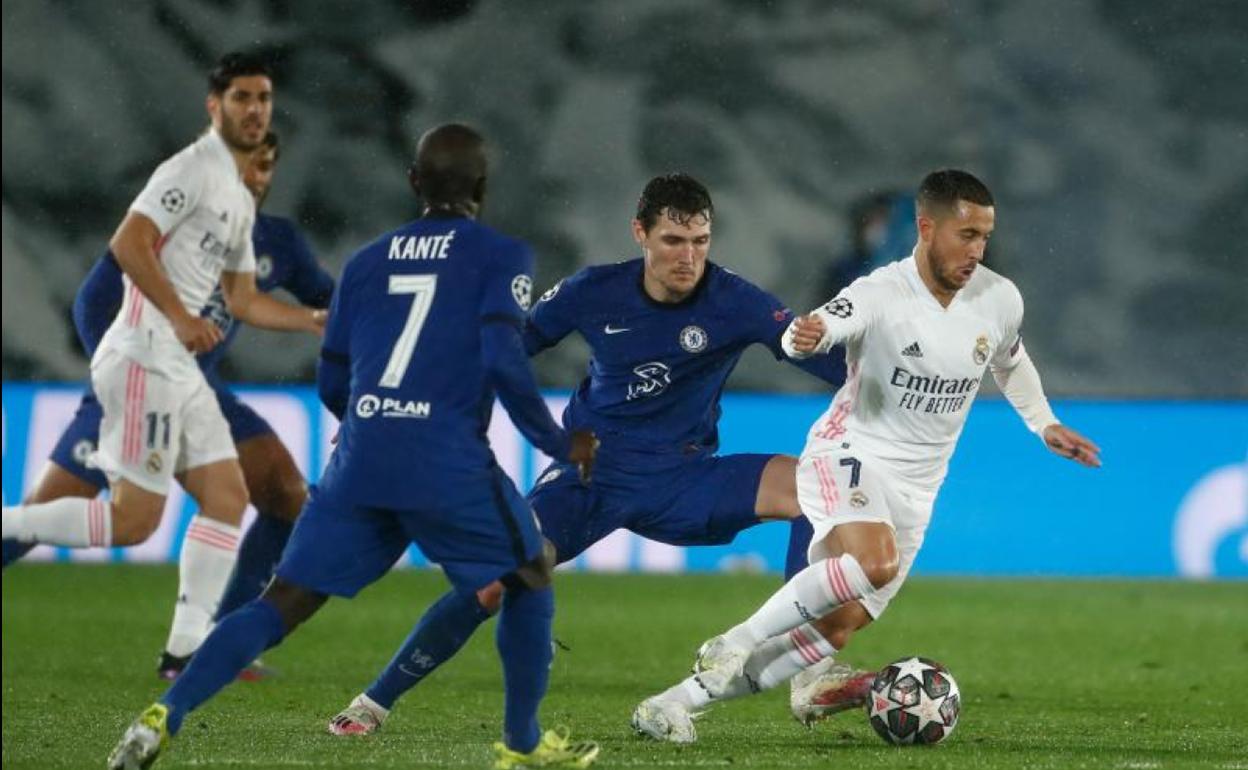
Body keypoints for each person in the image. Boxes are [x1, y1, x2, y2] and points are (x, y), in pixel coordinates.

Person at [107, 123, 601, 770]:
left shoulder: (366, 263)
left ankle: (164, 714)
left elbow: (332, 381)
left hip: (363, 455)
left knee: (282, 602)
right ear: (482, 187)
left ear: (413, 183)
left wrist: (373, 425)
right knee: (529, 573)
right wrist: (559, 441)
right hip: (444, 458)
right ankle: (523, 745)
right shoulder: (501, 254)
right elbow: (505, 361)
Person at [326, 173, 867, 742]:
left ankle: (809, 677)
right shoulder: (592, 291)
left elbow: (822, 360)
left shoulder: (736, 300)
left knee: (811, 486)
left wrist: (904, 391)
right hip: (590, 476)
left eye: (700, 241)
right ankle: (373, 702)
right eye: (673, 241)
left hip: (683, 478)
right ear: (640, 233)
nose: (688, 257)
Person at [631, 169, 1102, 742]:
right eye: (965, 235)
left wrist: (1044, 422)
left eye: (984, 236)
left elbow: (1009, 360)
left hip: (918, 487)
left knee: (836, 628)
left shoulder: (999, 298)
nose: (977, 250)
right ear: (926, 228)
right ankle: (735, 640)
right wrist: (803, 336)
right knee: (873, 562)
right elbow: (820, 326)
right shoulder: (880, 292)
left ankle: (671, 704)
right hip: (848, 454)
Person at [2, 51, 325, 672]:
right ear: (215, 106)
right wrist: (164, 330)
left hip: (189, 378)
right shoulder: (190, 173)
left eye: (263, 100)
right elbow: (119, 257)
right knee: (119, 522)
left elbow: (245, 301)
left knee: (242, 494)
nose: (255, 113)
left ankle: (194, 650)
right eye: (242, 99)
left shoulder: (251, 219)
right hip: (143, 367)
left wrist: (317, 319)